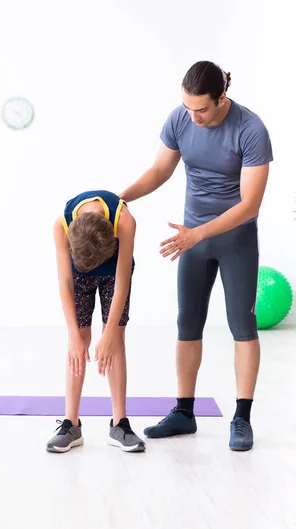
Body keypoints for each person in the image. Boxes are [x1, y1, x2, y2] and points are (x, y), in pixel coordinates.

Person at [120, 61, 273, 451]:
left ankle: (241, 418)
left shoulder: (250, 129)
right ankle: (184, 413)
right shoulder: (181, 119)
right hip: (192, 238)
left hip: (233, 238)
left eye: (201, 109)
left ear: (222, 98)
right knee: (187, 322)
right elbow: (159, 170)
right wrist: (118, 199)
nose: (193, 116)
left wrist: (198, 234)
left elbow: (250, 204)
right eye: (187, 108)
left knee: (242, 324)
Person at [47, 190, 145, 453]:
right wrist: (74, 336)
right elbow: (65, 283)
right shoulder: (61, 225)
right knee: (78, 340)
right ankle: (71, 423)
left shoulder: (124, 221)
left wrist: (109, 333)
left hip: (114, 274)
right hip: (78, 275)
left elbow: (122, 281)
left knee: (115, 340)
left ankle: (119, 424)